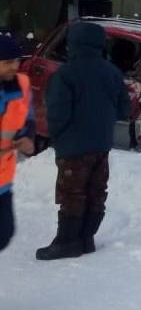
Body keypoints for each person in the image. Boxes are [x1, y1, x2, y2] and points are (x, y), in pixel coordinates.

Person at [36, 22, 130, 261]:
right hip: (101, 144)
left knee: (72, 192)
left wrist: (58, 135)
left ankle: (67, 242)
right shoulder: (113, 73)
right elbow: (123, 109)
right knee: (96, 190)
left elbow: (57, 113)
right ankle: (86, 239)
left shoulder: (65, 74)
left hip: (73, 146)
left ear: (73, 43)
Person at [0, 34, 35, 254]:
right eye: (7, 62)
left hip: (3, 178)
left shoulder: (21, 84)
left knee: (4, 234)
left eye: (16, 61)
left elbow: (27, 118)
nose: (14, 66)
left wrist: (27, 137)